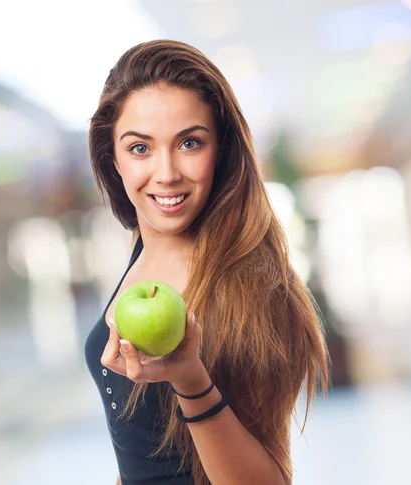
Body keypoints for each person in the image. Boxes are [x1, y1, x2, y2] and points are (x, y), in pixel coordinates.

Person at [85, 39, 330, 485]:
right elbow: (142, 450)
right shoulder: (141, 252)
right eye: (140, 148)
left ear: (221, 150)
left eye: (189, 143)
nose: (166, 173)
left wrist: (191, 380)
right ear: (112, 158)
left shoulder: (253, 288)